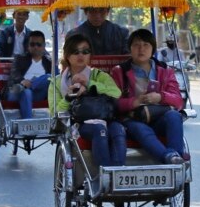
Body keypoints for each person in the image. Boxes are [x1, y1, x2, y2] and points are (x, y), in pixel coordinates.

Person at [49, 33, 127, 168]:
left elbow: (116, 93)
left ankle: (116, 175)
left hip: (106, 118)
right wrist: (68, 97)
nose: (81, 55)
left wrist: (90, 84)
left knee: (118, 130)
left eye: (85, 51)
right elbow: (55, 112)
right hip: (78, 124)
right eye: (75, 51)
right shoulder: (56, 82)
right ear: (67, 55)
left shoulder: (99, 75)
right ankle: (105, 174)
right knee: (99, 130)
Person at [112, 29, 186, 164]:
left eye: (146, 45)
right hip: (132, 120)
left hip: (158, 118)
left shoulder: (165, 70)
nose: (141, 49)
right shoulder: (119, 71)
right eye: (136, 45)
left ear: (153, 49)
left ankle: (175, 159)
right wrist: (134, 102)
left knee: (175, 116)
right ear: (130, 49)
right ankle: (170, 157)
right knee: (141, 128)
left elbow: (178, 101)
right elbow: (114, 103)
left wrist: (160, 97)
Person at [7, 30, 52, 119]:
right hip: (17, 91)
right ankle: (28, 124)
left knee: (49, 77)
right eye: (32, 44)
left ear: (43, 46)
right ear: (28, 46)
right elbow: (14, 73)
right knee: (26, 92)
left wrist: (30, 83)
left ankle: (29, 85)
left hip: (38, 94)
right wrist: (22, 81)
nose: (35, 47)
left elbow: (56, 79)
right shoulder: (19, 59)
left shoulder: (49, 62)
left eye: (38, 45)